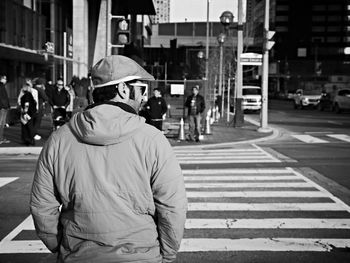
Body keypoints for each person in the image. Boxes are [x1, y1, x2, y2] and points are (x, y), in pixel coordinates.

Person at [30, 55, 187, 263]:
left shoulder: (59, 140)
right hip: (141, 256)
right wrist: (166, 254)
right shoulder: (153, 140)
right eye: (142, 89)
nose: (143, 97)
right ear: (123, 89)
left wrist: (64, 246)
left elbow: (42, 206)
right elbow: (172, 207)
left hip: (78, 256)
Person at [0, 75, 10, 144]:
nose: (6, 80)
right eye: (5, 79)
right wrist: (5, 106)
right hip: (2, 107)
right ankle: (1, 139)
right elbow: (3, 98)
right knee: (1, 123)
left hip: (2, 107)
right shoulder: (1, 86)